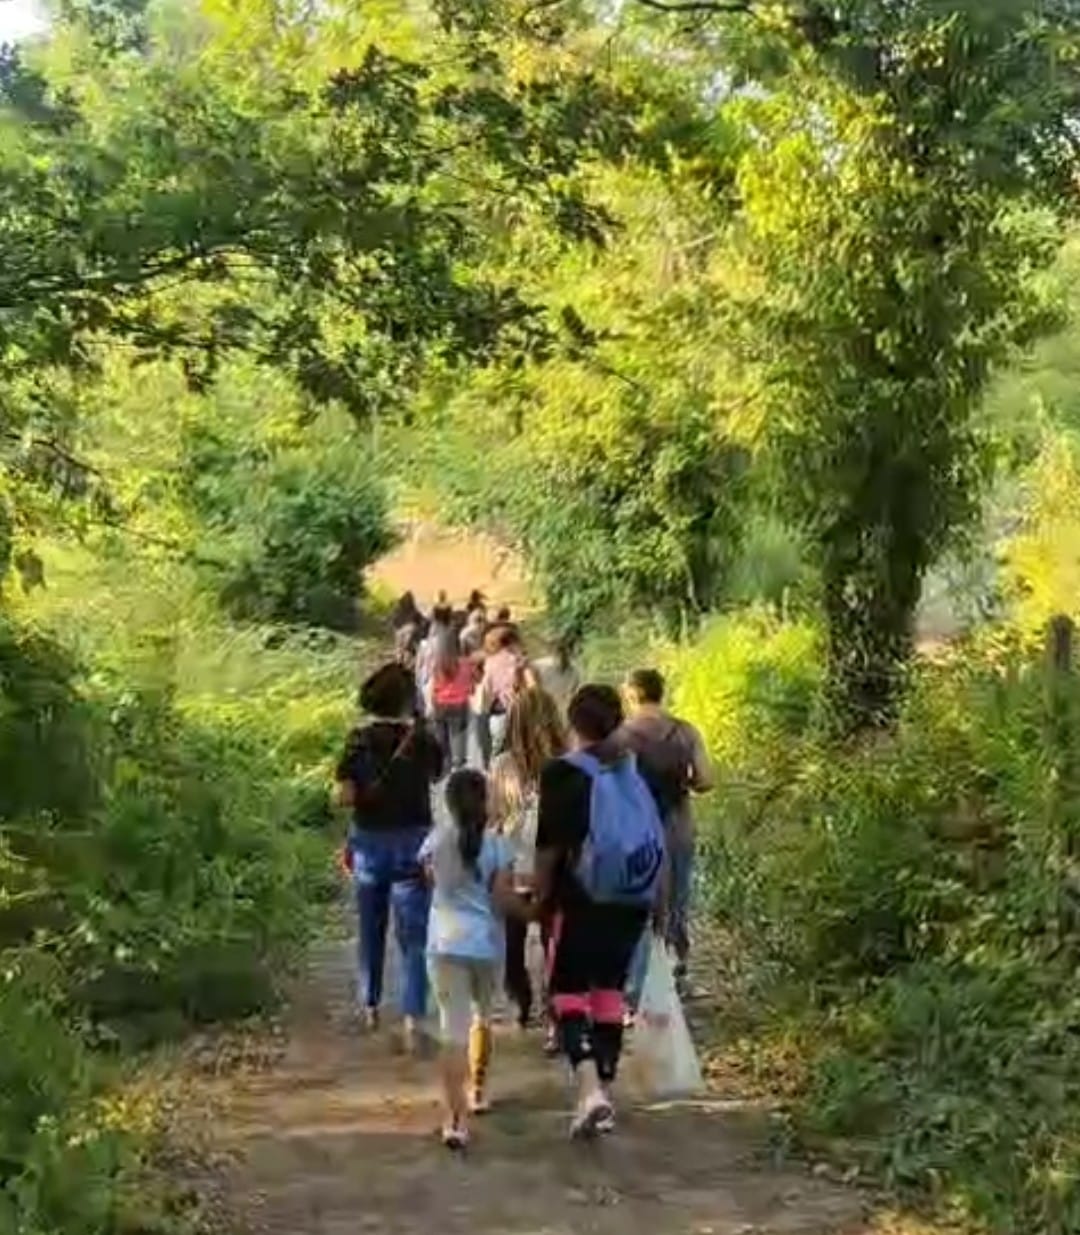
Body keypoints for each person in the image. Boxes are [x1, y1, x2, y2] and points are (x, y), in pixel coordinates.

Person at [535, 684, 665, 1139]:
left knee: (567, 992)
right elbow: (654, 832)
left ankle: (590, 1089)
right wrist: (660, 903)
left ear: (574, 723)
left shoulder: (562, 774)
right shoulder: (634, 767)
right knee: (610, 991)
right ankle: (604, 1091)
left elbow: (549, 847)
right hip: (633, 896)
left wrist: (539, 897)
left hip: (581, 898)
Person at [336, 662, 443, 1048]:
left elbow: (345, 796)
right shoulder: (423, 739)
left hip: (369, 842)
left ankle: (370, 1005)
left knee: (371, 927)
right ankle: (414, 1016)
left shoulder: (357, 740)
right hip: (414, 842)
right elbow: (436, 775)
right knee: (415, 934)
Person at [420, 769, 524, 1150]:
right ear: (485, 801)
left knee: (452, 1030)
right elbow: (503, 899)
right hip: (485, 943)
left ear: (448, 804)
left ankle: (454, 1119)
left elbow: (431, 883)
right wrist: (531, 910)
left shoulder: (435, 841)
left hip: (445, 943)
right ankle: (478, 1089)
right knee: (483, 1018)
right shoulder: (498, 846)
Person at [621, 667, 714, 1007]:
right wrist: (684, 783)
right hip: (678, 824)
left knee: (638, 903)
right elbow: (706, 779)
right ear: (661, 692)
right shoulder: (685, 731)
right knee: (677, 900)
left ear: (632, 694)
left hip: (637, 831)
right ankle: (679, 971)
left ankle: (638, 983)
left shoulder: (623, 736)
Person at [488, 687, 566, 1033]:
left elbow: (493, 817)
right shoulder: (567, 763)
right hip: (555, 863)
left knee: (513, 937)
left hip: (515, 862)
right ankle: (555, 1011)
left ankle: (520, 1000)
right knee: (555, 938)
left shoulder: (502, 765)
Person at [426, 628, 477, 772]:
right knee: (458, 737)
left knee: (442, 738)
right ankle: (458, 766)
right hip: (459, 705)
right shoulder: (466, 664)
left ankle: (444, 765)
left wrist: (430, 704)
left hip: (440, 704)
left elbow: (433, 686)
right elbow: (471, 686)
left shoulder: (438, 665)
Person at [478, 624, 526, 760]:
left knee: (498, 751)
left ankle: (496, 776)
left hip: (499, 710)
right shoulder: (520, 661)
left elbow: (487, 688)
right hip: (520, 708)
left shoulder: (490, 662)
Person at [531, 637, 581, 719]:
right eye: (559, 650)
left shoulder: (575, 672)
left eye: (565, 650)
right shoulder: (540, 666)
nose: (563, 654)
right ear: (553, 652)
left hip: (558, 714)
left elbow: (572, 695)